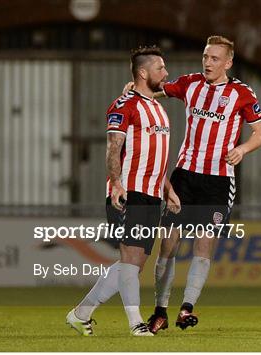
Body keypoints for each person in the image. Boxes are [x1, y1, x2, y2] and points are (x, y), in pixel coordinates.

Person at [144, 35, 261, 333]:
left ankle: (186, 309)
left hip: (218, 181)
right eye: (205, 56)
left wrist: (242, 149)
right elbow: (161, 90)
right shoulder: (190, 84)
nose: (208, 63)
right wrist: (140, 95)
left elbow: (260, 134)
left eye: (214, 58)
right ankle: (160, 309)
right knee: (168, 245)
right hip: (185, 175)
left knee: (203, 245)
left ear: (228, 62)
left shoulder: (242, 93)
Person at [66, 46, 180, 336]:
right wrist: (116, 183)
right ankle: (136, 324)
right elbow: (113, 148)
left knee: (134, 265)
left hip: (153, 195)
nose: (166, 73)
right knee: (130, 260)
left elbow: (158, 155)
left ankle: (81, 314)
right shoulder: (123, 105)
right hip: (130, 192)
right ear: (143, 73)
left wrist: (168, 188)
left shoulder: (158, 108)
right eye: (160, 68)